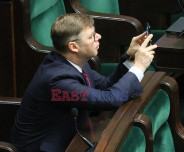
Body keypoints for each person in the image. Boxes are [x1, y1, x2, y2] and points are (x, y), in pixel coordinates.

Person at [10, 13, 157, 152]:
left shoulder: (74, 61)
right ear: (74, 47)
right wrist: (139, 67)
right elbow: (110, 99)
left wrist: (131, 57)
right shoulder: (58, 81)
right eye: (91, 36)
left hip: (74, 136)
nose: (98, 37)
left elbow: (107, 85)